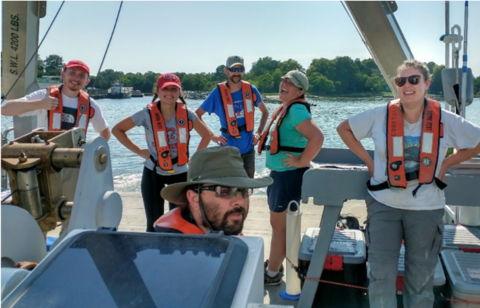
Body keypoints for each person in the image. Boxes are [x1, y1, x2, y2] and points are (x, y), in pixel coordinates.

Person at [336, 59, 480, 308]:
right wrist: (369, 163)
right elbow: (344, 129)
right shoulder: (379, 115)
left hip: (427, 208)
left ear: (426, 83)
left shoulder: (445, 119)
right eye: (401, 81)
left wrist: (446, 164)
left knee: (421, 280)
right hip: (384, 205)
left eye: (414, 80)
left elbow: (477, 140)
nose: (407, 85)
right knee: (380, 277)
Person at [112, 73, 211, 232]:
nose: (170, 93)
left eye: (174, 89)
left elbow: (207, 135)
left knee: (179, 223)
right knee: (153, 223)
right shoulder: (146, 113)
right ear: (157, 91)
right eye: (165, 89)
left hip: (180, 173)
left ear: (179, 92)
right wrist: (139, 151)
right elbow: (117, 130)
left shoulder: (187, 114)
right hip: (153, 171)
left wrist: (194, 160)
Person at [257, 70, 324, 285]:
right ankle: (274, 266)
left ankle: (272, 273)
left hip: (287, 176)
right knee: (281, 227)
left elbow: (317, 137)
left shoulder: (295, 110)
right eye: (283, 80)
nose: (284, 84)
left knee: (279, 228)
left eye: (290, 83)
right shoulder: (289, 108)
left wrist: (301, 161)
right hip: (283, 176)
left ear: (300, 91)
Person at [154, 146, 273, 235]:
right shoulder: (169, 250)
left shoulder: (222, 227)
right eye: (224, 191)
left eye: (244, 191)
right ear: (194, 199)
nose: (240, 201)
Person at [195, 55, 269, 178]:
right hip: (228, 152)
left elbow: (265, 112)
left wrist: (259, 133)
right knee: (229, 191)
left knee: (247, 188)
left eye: (240, 69)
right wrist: (211, 136)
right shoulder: (217, 93)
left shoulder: (251, 90)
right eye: (233, 69)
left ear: (244, 71)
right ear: (226, 71)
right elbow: (197, 116)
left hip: (248, 150)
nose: (236, 73)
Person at [0, 60, 110, 141]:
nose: (76, 78)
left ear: (87, 81)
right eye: (72, 72)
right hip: (46, 158)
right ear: (63, 74)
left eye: (82, 75)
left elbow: (105, 132)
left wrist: (92, 152)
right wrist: (40, 104)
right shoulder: (45, 95)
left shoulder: (90, 104)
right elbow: (4, 109)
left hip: (75, 162)